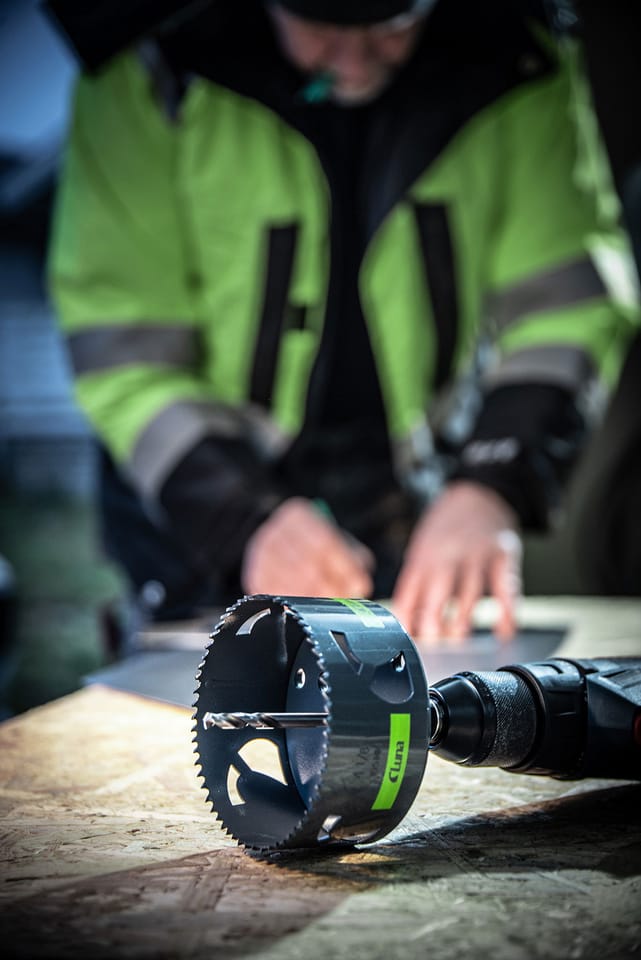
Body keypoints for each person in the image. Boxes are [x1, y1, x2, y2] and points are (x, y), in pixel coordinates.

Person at [47, 0, 637, 643]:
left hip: (410, 497)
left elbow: (569, 308)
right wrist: (242, 516)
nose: (354, 63)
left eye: (391, 25)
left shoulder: (524, 56)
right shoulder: (143, 67)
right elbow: (124, 355)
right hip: (193, 509)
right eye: (321, 26)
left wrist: (492, 483)